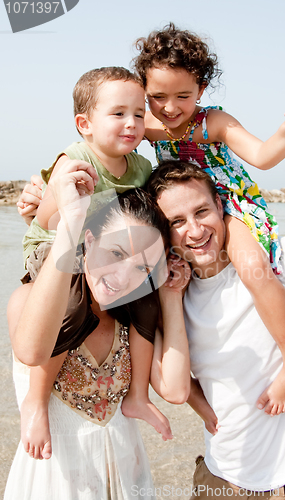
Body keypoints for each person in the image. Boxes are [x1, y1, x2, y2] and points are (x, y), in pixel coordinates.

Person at [144, 87, 285, 498]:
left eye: (201, 212)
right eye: (176, 221)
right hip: (218, 479)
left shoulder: (276, 260)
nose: (194, 231)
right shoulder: (171, 290)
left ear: (221, 205)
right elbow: (175, 388)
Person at [132, 23, 285, 416]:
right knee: (145, 278)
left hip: (225, 206)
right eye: (158, 97)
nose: (170, 107)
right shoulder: (148, 127)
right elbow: (107, 142)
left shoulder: (212, 123)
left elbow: (265, 155)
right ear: (143, 91)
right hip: (180, 214)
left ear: (201, 89)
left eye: (183, 95)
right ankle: (178, 395)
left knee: (252, 266)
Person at [14, 66, 173, 462]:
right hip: (54, 249)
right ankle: (36, 400)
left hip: (102, 255)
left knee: (148, 300)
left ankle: (137, 395)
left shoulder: (139, 167)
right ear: (84, 124)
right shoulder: (76, 159)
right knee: (71, 307)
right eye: (118, 113)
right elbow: (46, 220)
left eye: (139, 114)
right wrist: (65, 205)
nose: (132, 123)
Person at [6, 164, 191, 500]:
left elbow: (176, 390)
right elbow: (32, 352)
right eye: (116, 253)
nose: (122, 278)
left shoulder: (131, 319)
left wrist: (171, 298)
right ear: (88, 240)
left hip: (125, 472)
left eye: (141, 268)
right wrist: (68, 222)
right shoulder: (29, 301)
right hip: (56, 480)